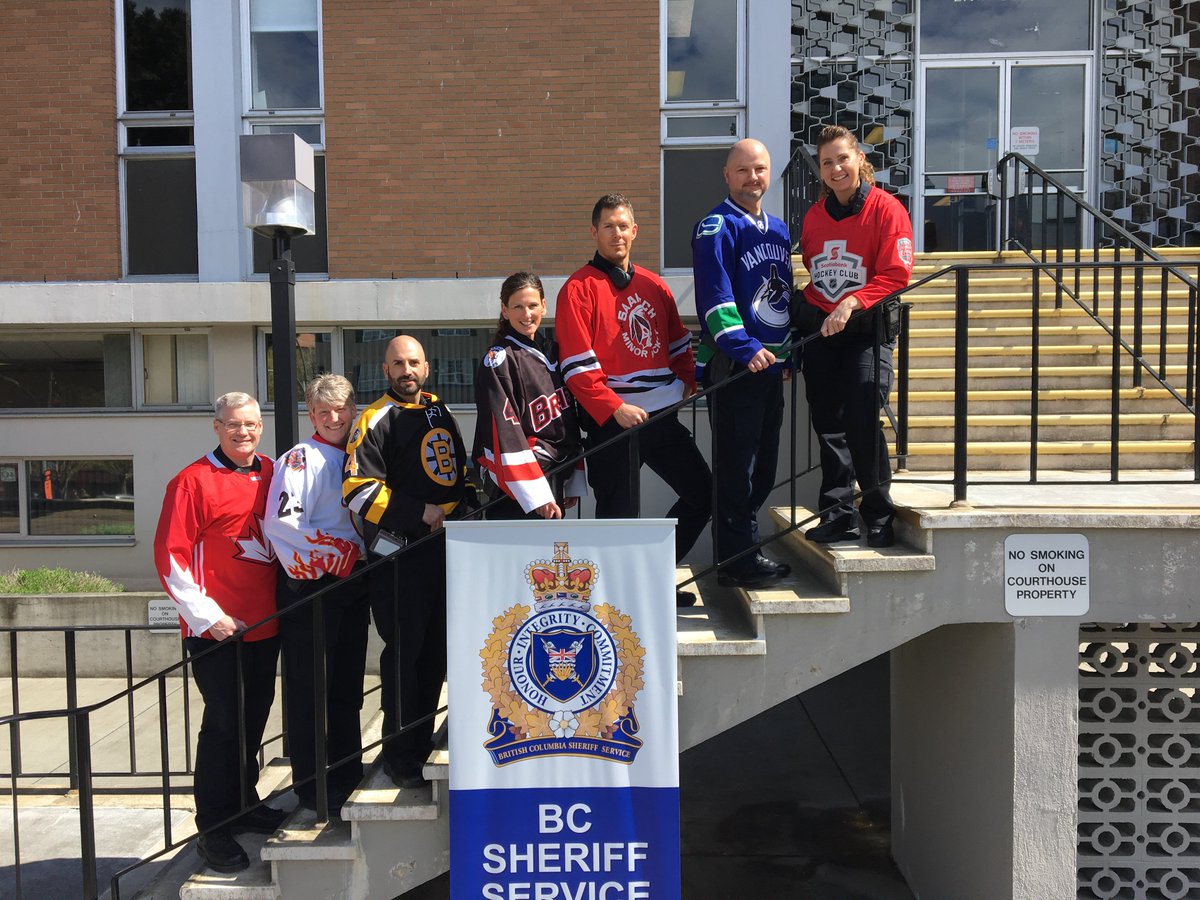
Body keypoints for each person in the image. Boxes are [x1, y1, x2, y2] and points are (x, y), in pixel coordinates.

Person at [556, 193, 712, 607]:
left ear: (634, 231)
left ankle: (653, 577)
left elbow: (681, 346)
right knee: (617, 516)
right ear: (595, 232)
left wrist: (682, 388)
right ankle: (620, 602)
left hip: (659, 415)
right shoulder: (577, 288)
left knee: (704, 494)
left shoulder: (654, 285)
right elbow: (575, 366)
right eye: (608, 226)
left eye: (623, 226)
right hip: (611, 422)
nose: (617, 233)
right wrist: (613, 408)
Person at [153, 392, 286, 873]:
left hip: (265, 625)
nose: (243, 432)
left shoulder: (273, 472)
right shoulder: (190, 482)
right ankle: (212, 827)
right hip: (217, 632)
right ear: (216, 427)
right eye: (233, 425)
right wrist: (210, 616)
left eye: (251, 424)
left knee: (253, 720)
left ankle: (245, 804)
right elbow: (171, 557)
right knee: (224, 725)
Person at [343, 335, 475, 789]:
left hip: (444, 552)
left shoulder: (440, 409)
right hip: (398, 558)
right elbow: (357, 490)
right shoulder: (374, 418)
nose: (406, 370)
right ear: (384, 371)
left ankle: (421, 745)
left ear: (427, 367)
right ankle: (400, 756)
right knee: (405, 656)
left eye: (413, 362)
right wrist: (420, 512)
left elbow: (458, 474)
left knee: (436, 652)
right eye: (397, 363)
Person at [794, 125, 914, 548]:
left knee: (863, 418)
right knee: (828, 427)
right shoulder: (814, 215)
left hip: (866, 333)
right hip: (824, 333)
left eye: (842, 158)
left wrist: (853, 302)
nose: (835, 168)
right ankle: (837, 514)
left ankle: (879, 512)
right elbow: (814, 267)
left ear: (859, 159)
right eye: (827, 162)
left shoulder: (887, 209)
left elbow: (896, 275)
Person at [264, 374, 368, 818]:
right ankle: (312, 787)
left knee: (347, 687)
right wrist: (334, 552)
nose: (333, 418)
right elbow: (282, 525)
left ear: (352, 410)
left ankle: (347, 773)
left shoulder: (361, 454)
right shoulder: (300, 460)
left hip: (354, 580)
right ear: (312, 415)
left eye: (340, 409)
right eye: (323, 412)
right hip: (313, 585)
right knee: (310, 690)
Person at [691, 138, 794, 588]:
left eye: (761, 169)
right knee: (737, 468)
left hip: (771, 367)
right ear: (727, 176)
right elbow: (714, 297)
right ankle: (738, 559)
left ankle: (740, 551)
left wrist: (786, 354)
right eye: (744, 170)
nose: (754, 178)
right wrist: (744, 347)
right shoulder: (715, 226)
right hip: (736, 367)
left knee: (764, 466)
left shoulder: (779, 230)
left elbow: (783, 296)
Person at [472, 271, 586, 520]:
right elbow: (503, 433)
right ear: (505, 310)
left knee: (547, 559)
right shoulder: (499, 359)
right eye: (518, 307)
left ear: (544, 306)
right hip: (516, 490)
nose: (526, 315)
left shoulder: (556, 351)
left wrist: (572, 478)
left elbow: (569, 422)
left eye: (533, 305)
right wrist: (535, 495)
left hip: (554, 478)